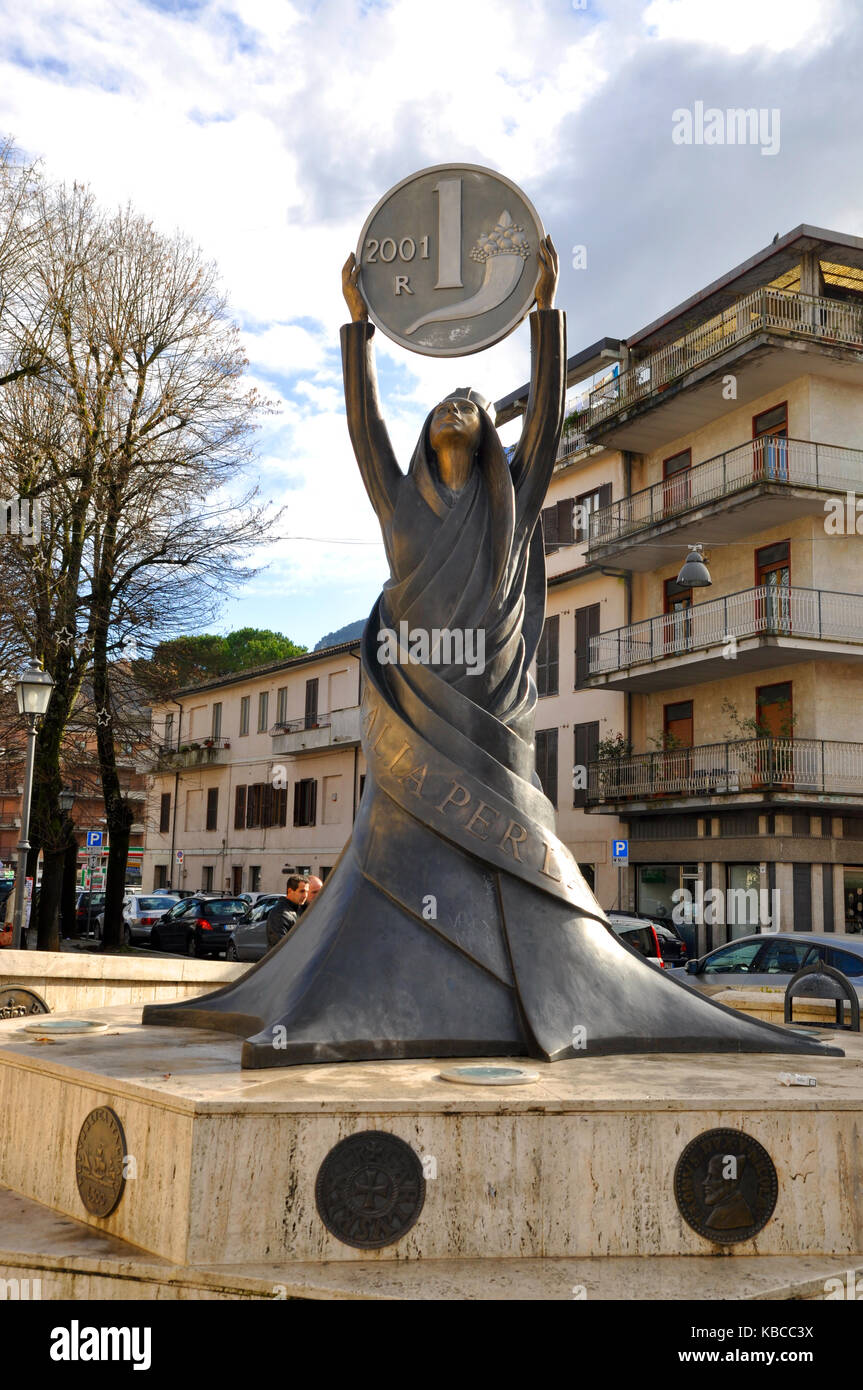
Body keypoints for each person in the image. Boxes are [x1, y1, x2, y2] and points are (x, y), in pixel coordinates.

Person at [265, 876, 308, 951]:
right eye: (302, 891)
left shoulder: (299, 909)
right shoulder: (280, 914)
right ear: (290, 891)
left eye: (307, 891)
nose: (305, 895)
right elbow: (280, 946)